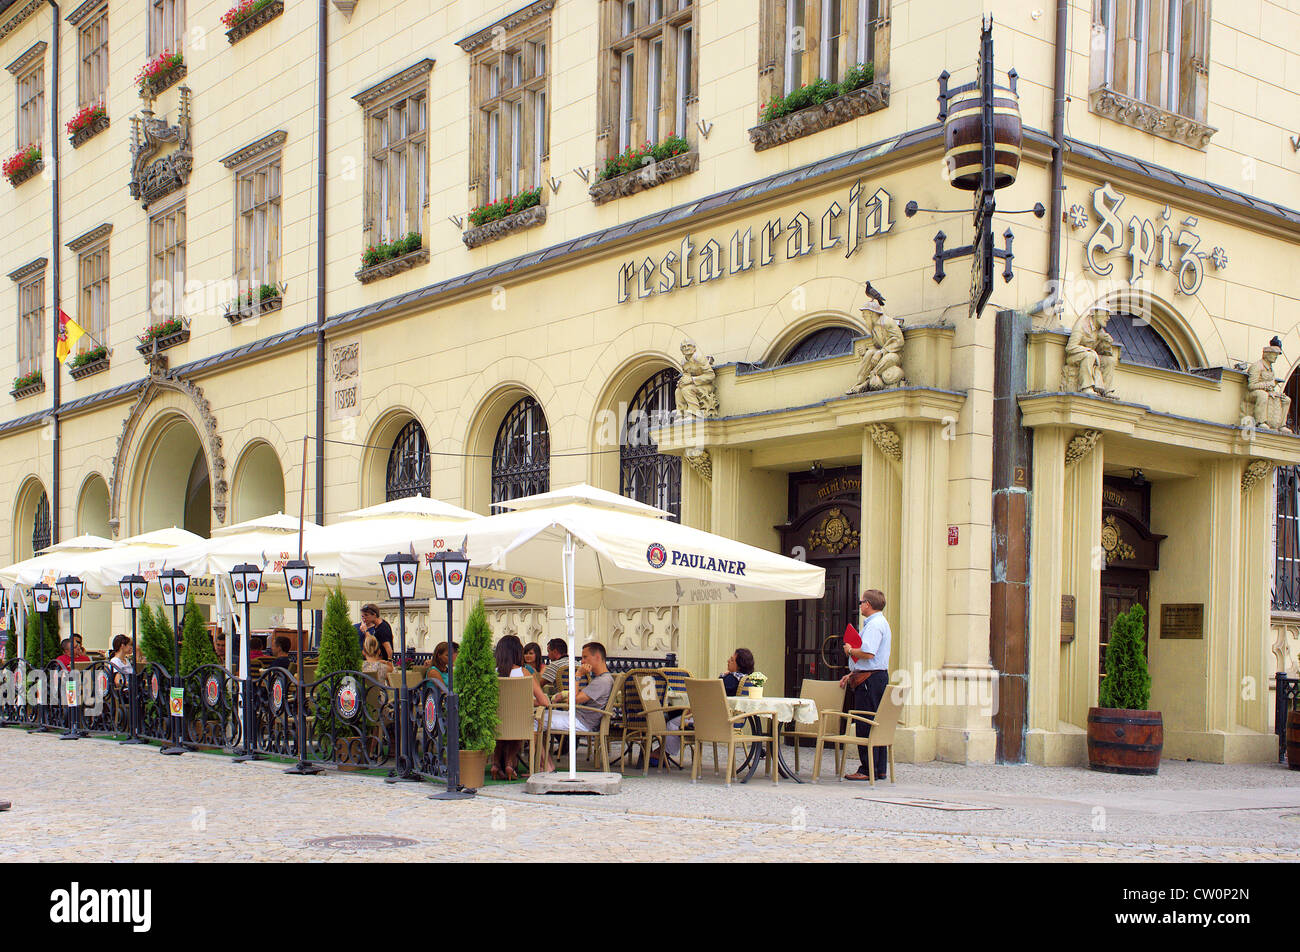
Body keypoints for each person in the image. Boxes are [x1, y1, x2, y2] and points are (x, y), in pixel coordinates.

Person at [839, 589, 892, 782]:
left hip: (870, 681)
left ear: (868, 604)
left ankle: (867, 768)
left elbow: (869, 654)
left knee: (865, 723)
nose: (860, 605)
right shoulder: (879, 623)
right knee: (874, 723)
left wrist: (850, 649)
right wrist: (852, 673)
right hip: (874, 677)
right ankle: (878, 769)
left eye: (861, 602)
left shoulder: (874, 625)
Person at [493, 635, 551, 779]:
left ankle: (495, 764)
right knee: (519, 725)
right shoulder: (524, 673)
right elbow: (544, 702)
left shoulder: (492, 673)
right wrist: (528, 702)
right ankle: (509, 763)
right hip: (518, 723)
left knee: (502, 730)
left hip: (495, 722)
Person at [544, 641, 613, 737]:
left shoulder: (602, 681)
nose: (582, 661)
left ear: (597, 657)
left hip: (581, 722)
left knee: (536, 719)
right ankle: (541, 752)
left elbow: (571, 701)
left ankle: (538, 752)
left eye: (585, 657)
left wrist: (578, 675)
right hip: (578, 718)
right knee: (539, 715)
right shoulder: (603, 678)